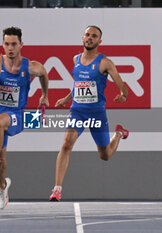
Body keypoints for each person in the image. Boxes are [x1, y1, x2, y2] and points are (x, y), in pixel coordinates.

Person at [49, 25, 129, 201]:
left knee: (105, 155)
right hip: (77, 111)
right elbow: (79, 84)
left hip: (97, 113)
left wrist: (124, 94)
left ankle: (118, 134)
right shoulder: (75, 59)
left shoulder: (105, 62)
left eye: (94, 36)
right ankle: (57, 189)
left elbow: (121, 84)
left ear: (99, 41)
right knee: (66, 145)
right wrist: (67, 98)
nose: (90, 38)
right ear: (82, 38)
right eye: (87, 35)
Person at [0, 26, 49, 209]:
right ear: (2, 44)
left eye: (14, 44)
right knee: (2, 159)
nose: (10, 48)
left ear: (21, 45)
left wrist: (44, 95)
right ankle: (2, 186)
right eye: (7, 44)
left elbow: (43, 74)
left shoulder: (31, 66)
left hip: (17, 114)